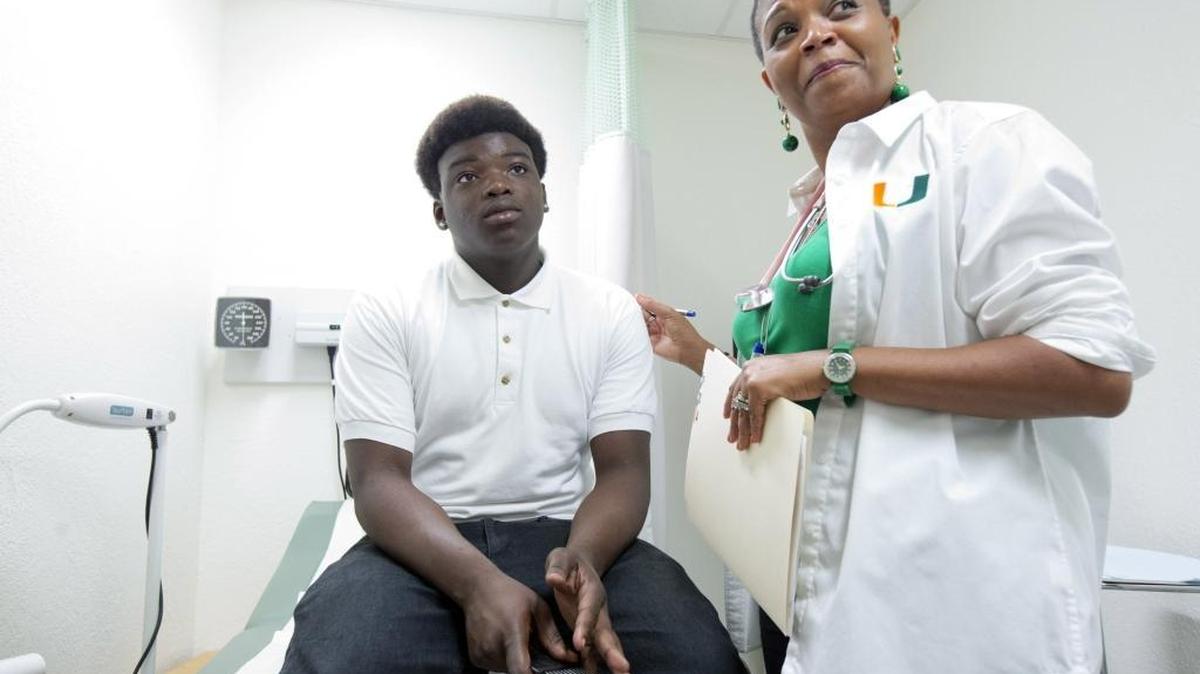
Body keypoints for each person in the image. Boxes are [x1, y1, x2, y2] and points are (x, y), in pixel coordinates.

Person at [635, 1, 1155, 673]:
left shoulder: (985, 143)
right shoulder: (813, 211)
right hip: (809, 576)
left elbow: (1090, 371)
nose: (816, 35)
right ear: (770, 80)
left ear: (892, 29)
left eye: (842, 7)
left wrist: (835, 365)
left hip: (949, 588)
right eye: (785, 31)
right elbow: (792, 388)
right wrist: (696, 353)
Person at [280, 95, 745, 674]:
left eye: (517, 168)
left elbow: (624, 472)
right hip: (424, 545)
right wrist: (477, 584)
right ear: (440, 211)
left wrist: (581, 562)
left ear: (544, 195)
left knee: (699, 656)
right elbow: (377, 481)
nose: (497, 185)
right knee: (350, 656)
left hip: (567, 539)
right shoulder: (386, 308)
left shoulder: (608, 310)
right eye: (467, 176)